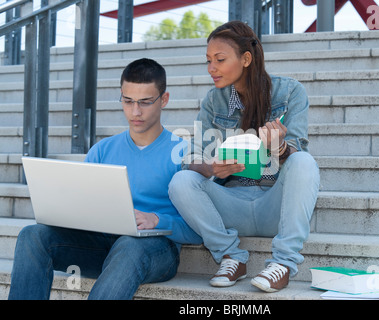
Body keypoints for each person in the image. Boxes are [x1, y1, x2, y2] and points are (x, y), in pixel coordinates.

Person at [8, 58, 202, 300]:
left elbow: (199, 231)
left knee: (130, 245)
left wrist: (157, 219)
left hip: (156, 250)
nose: (135, 112)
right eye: (128, 101)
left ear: (164, 99)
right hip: (101, 246)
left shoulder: (185, 153)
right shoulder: (102, 150)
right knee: (32, 235)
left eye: (145, 102)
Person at [168, 21, 320, 293]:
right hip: (232, 205)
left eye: (220, 60)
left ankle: (283, 263)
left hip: (276, 204)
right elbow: (191, 156)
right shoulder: (214, 100)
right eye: (208, 61)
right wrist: (212, 167)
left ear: (246, 59)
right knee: (181, 180)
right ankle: (231, 257)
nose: (211, 68)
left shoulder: (290, 92)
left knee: (304, 162)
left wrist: (280, 148)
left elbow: (297, 152)